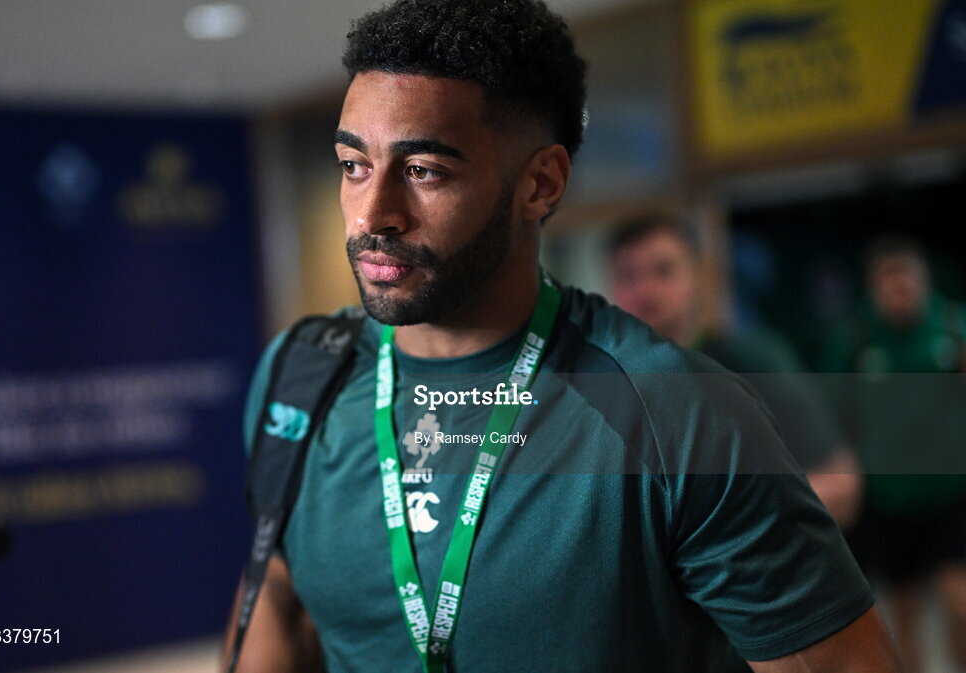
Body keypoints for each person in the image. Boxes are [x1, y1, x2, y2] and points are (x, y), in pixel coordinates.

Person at [222, 1, 899, 671]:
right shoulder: (301, 373)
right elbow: (277, 599)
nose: (374, 213)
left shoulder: (679, 411)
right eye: (353, 166)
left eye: (424, 170)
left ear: (540, 182)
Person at [606, 214, 862, 529]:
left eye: (664, 270)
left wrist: (729, 530)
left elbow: (839, 484)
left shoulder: (751, 362)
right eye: (628, 276)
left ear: (698, 276)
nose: (645, 290)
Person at [823, 235, 966, 673]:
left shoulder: (954, 328)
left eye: (907, 279)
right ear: (874, 289)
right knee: (901, 615)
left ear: (924, 280)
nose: (899, 290)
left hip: (950, 491)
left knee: (959, 604)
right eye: (889, 282)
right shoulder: (856, 340)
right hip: (887, 498)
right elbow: (833, 415)